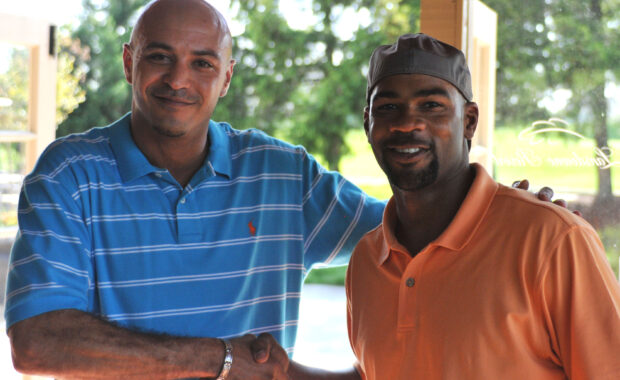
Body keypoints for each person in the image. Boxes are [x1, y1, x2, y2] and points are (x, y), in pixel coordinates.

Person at [3, 0, 571, 377]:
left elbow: (413, 234)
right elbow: (36, 342)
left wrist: (505, 216)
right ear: (129, 62)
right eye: (159, 57)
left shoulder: (282, 174)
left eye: (202, 62)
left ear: (226, 75)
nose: (179, 80)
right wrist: (221, 360)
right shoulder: (69, 176)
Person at [345, 33, 620, 380]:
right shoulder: (367, 261)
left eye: (431, 106)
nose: (407, 123)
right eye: (388, 108)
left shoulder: (552, 240)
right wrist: (283, 371)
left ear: (469, 121)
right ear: (368, 123)